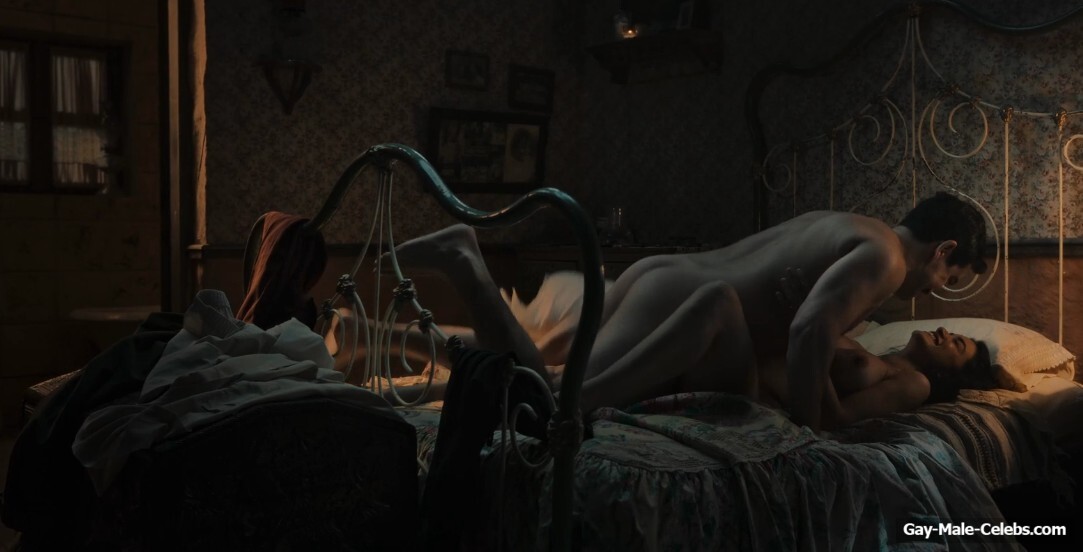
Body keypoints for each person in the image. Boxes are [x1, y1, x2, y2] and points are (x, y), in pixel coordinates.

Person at [390, 191, 988, 431]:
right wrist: (815, 431)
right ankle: (467, 264)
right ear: (944, 250)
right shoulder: (886, 262)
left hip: (662, 275)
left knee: (547, 366)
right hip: (688, 304)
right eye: (948, 279)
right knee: (550, 396)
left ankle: (378, 335)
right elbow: (810, 329)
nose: (931, 293)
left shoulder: (847, 223)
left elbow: (794, 315)